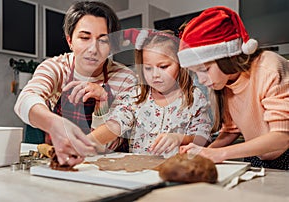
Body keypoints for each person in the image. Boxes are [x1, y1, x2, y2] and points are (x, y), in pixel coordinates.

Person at [14, 1, 137, 166]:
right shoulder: (56, 67)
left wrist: (103, 103)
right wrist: (54, 124)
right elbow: (25, 99)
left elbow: (114, 134)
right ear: (70, 40)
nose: (93, 49)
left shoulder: (125, 78)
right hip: (61, 159)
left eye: (103, 40)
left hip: (108, 164)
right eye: (85, 38)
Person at [178, 6, 289, 170]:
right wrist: (203, 154)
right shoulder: (223, 83)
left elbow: (282, 137)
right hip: (258, 155)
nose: (201, 79)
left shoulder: (269, 68)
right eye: (196, 73)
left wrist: (220, 154)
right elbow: (231, 131)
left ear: (225, 57)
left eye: (205, 70)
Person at [88, 29, 212, 157]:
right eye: (148, 68)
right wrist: (85, 142)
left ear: (180, 65)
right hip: (141, 172)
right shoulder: (136, 96)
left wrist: (180, 138)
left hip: (177, 170)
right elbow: (114, 125)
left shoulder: (194, 97)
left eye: (163, 67)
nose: (155, 75)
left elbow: (203, 138)